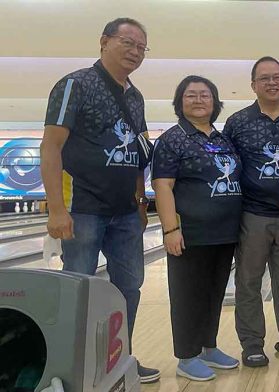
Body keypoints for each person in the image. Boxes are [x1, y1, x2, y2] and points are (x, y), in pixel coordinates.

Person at [40, 17, 159, 383]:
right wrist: (57, 209)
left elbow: (139, 154)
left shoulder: (135, 96)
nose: (135, 52)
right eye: (128, 43)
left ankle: (121, 358)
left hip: (125, 211)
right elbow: (51, 146)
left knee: (129, 289)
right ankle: (72, 365)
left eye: (141, 47)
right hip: (83, 208)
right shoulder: (75, 85)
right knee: (78, 288)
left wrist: (140, 202)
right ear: (104, 41)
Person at [152, 76, 242, 381]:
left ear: (215, 103)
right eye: (191, 95)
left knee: (214, 293)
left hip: (225, 231)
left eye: (205, 95)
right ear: (180, 102)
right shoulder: (172, 139)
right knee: (187, 294)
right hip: (191, 232)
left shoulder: (222, 138)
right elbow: (162, 185)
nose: (199, 100)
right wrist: (170, 230)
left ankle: (208, 346)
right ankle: (186, 356)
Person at [223, 57, 279, 367]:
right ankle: (252, 344)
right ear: (253, 85)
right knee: (248, 282)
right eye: (264, 78)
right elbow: (225, 166)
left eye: (277, 77)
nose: (271, 83)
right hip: (252, 215)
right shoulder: (237, 122)